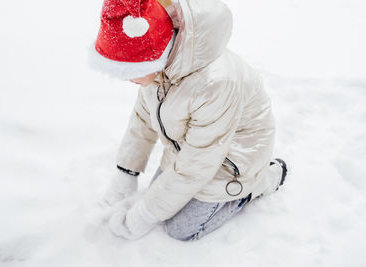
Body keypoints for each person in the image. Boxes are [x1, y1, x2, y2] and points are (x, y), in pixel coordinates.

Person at [89, 0, 288, 241]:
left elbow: (197, 164)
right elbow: (142, 118)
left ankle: (258, 185)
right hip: (193, 148)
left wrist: (142, 216)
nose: (126, 79)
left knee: (180, 229)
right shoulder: (158, 68)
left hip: (234, 160)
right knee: (160, 199)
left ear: (150, 59)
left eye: (129, 71)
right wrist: (126, 174)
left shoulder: (214, 84)